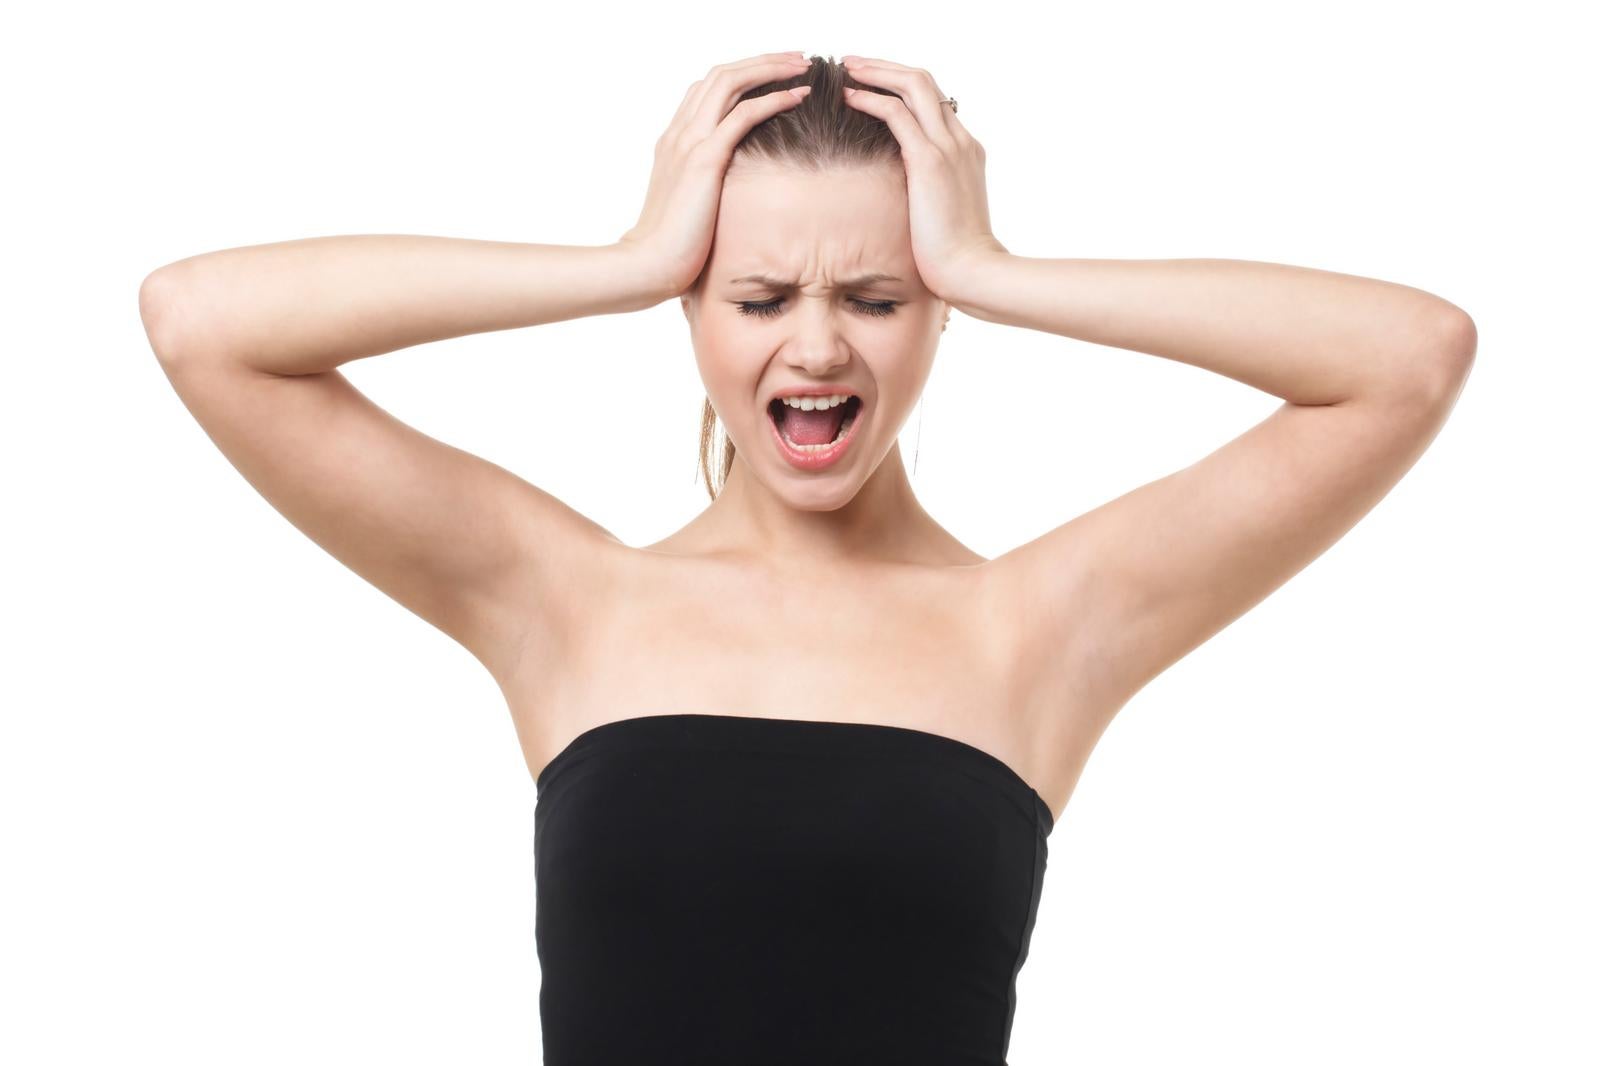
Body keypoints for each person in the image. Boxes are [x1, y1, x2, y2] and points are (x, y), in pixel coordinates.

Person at [138, 50, 1475, 1066]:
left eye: (880, 298)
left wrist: (994, 268)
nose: (821, 348)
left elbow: (1408, 359)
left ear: (939, 313)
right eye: (761, 297)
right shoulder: (570, 600)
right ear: (693, 307)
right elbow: (201, 323)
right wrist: (624, 259)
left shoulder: (1038, 625)